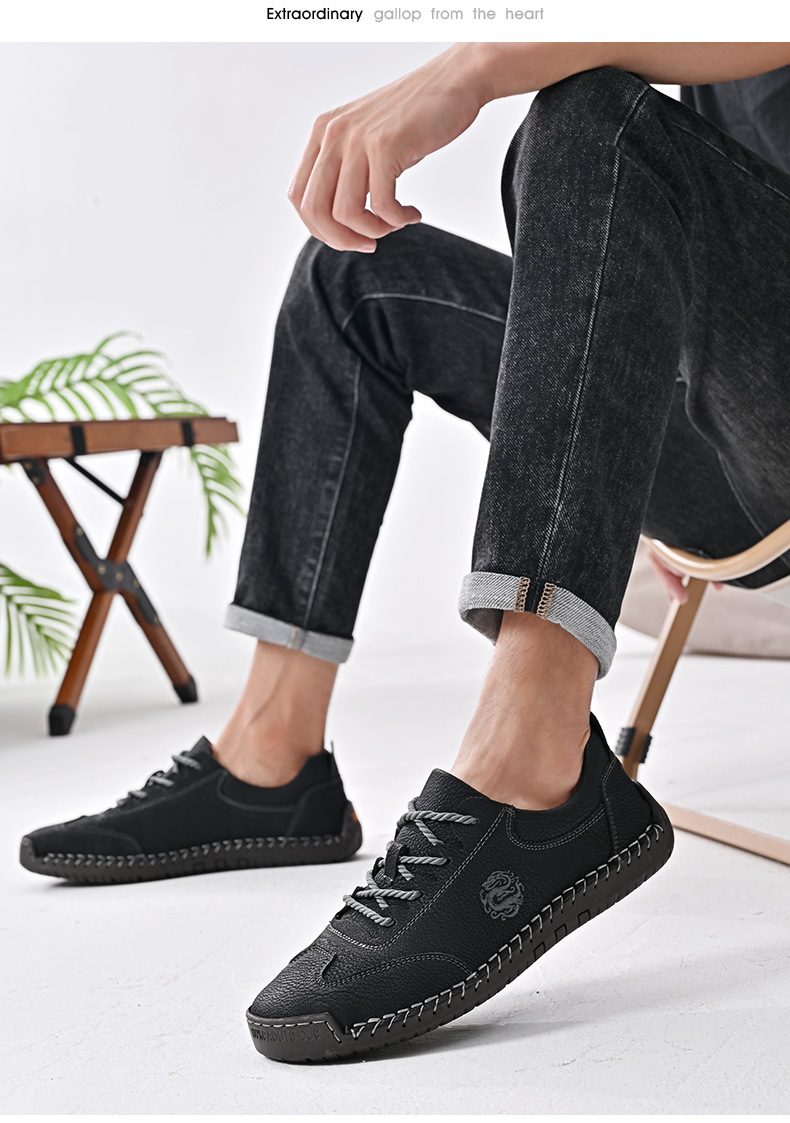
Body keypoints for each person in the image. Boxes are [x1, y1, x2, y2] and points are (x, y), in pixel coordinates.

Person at [19, 42, 790, 1062]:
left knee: (594, 116)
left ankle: (537, 768)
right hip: (721, 423)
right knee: (358, 275)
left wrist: (475, 67)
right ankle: (269, 759)